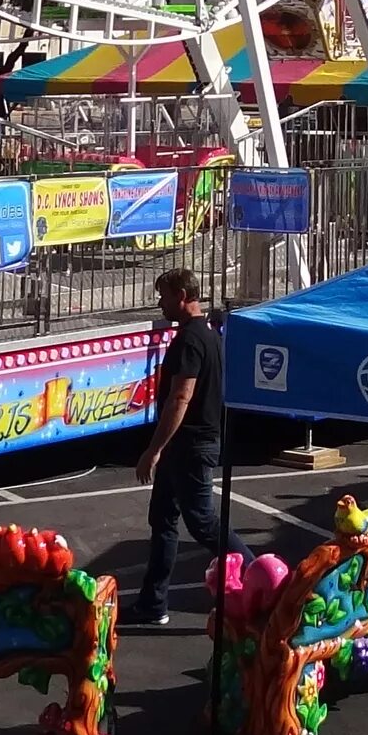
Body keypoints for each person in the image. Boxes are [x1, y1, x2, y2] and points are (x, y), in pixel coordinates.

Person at [129, 266, 233, 627]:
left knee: (203, 523)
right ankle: (152, 603)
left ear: (182, 296)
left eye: (164, 296)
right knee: (163, 519)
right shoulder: (208, 335)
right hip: (185, 447)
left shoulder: (191, 340)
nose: (161, 304)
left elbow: (180, 398)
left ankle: (261, 577)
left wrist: (153, 449)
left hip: (190, 445)